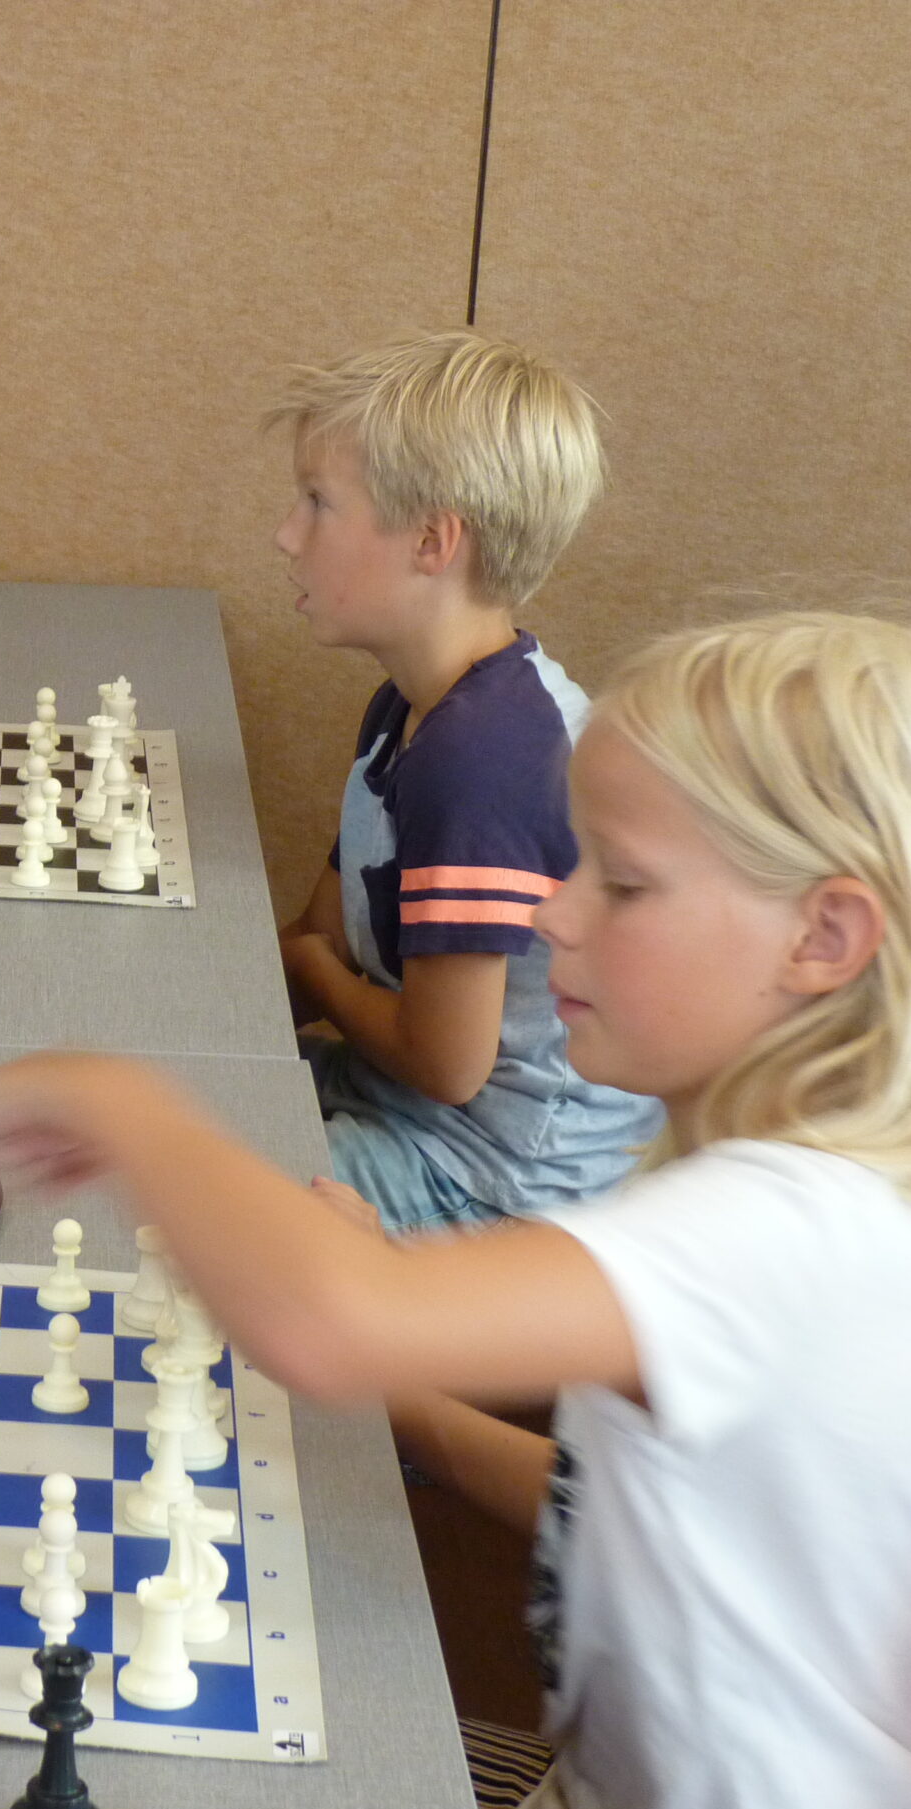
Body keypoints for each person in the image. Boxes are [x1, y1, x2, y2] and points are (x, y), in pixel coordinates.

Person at [0, 611, 911, 1809]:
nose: (552, 908)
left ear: (823, 937)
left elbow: (328, 1324)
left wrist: (123, 1103)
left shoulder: (787, 1237)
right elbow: (618, 1514)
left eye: (622, 883)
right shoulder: (783, 1201)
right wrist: (414, 1401)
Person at [268, 330, 662, 1230]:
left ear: (432, 541)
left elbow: (448, 1064)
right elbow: (323, 934)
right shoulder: (409, 706)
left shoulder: (483, 758)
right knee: (171, 1112)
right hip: (412, 1105)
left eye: (318, 503)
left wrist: (312, 974)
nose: (285, 534)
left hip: (500, 1176)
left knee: (197, 1208)